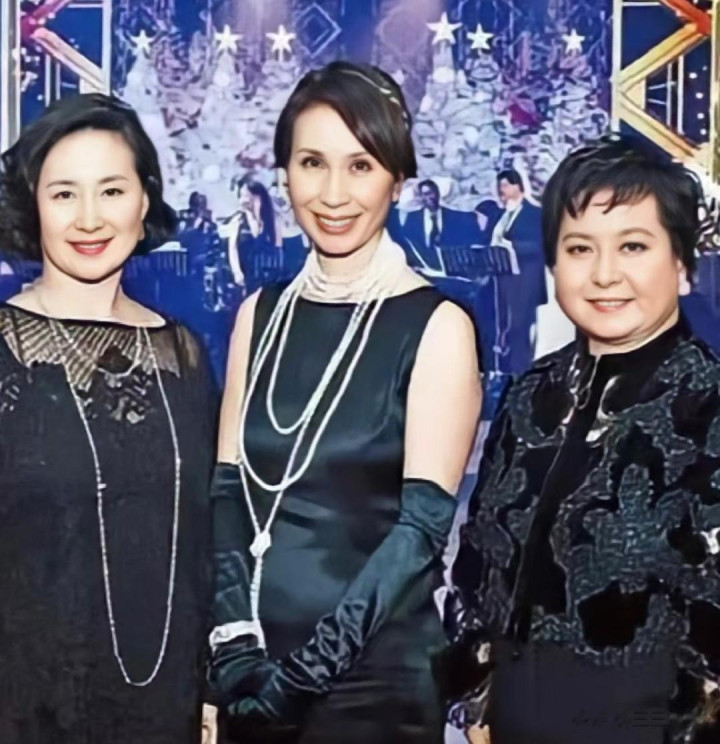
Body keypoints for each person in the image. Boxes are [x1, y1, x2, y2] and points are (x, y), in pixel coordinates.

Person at [207, 60, 482, 744]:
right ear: (284, 175)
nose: (333, 194)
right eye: (312, 163)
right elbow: (228, 493)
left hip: (373, 682)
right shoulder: (258, 315)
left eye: (360, 166)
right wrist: (234, 647)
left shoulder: (436, 325)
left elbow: (419, 534)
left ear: (397, 179)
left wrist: (304, 678)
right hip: (252, 672)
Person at [442, 135, 720, 744]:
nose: (603, 274)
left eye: (633, 246)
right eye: (579, 248)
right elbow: (478, 561)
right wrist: (476, 695)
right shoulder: (529, 394)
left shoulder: (707, 401)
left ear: (682, 265)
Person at [0, 93, 215, 743]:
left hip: (166, 700)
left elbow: (204, 542)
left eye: (112, 190)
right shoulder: (7, 347)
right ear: (34, 204)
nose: (89, 218)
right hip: (28, 705)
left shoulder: (183, 353)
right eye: (64, 194)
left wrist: (211, 690)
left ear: (144, 201)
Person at [490, 168, 548, 374]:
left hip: (525, 280)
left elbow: (539, 246)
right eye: (500, 186)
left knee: (520, 327)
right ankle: (507, 371)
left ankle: (521, 373)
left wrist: (511, 247)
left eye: (505, 185)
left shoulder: (534, 214)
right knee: (505, 328)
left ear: (518, 186)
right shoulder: (504, 214)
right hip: (505, 280)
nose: (501, 190)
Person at [402, 179, 480, 273]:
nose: (431, 197)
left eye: (433, 192)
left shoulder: (459, 218)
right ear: (421, 198)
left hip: (454, 272)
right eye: (426, 194)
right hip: (423, 272)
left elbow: (474, 246)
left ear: (438, 194)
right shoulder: (412, 220)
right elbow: (407, 247)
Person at [227, 175, 281, 295]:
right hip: (247, 274)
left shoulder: (272, 219)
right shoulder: (239, 220)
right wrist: (237, 272)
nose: (244, 200)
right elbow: (232, 248)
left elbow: (278, 248)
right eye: (242, 196)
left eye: (247, 195)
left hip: (267, 274)